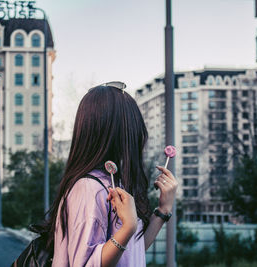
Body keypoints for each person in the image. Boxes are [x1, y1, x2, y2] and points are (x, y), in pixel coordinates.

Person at [46, 82, 178, 266]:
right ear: (118, 132)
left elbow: (132, 252)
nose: (139, 134)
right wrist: (128, 227)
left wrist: (163, 210)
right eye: (133, 125)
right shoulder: (89, 188)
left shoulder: (110, 182)